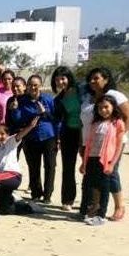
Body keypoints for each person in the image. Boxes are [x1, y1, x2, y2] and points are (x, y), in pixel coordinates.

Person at [79, 67, 128, 221]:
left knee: (110, 173)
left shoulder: (114, 95)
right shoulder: (90, 98)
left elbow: (127, 115)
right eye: (91, 79)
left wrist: (118, 135)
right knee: (94, 176)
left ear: (106, 79)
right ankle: (96, 206)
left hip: (111, 144)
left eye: (96, 78)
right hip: (91, 143)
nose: (93, 81)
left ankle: (119, 206)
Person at [9, 75, 57, 204]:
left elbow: (56, 118)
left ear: (40, 85)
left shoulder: (48, 99)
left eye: (35, 85)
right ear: (27, 86)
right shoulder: (22, 100)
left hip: (49, 136)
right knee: (33, 166)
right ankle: (36, 193)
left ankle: (47, 195)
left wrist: (44, 112)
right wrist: (14, 110)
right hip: (31, 137)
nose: (32, 87)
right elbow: (19, 120)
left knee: (50, 166)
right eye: (30, 85)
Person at [51, 66, 82, 211]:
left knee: (91, 166)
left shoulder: (80, 91)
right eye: (57, 79)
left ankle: (90, 200)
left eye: (62, 78)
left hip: (86, 133)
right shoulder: (58, 100)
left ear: (69, 78)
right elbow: (56, 120)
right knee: (68, 168)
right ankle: (68, 199)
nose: (60, 82)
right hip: (68, 134)